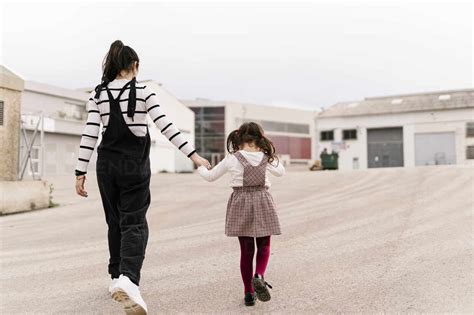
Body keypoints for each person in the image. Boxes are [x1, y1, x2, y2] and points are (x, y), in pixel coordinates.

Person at [74, 40, 209, 314]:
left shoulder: (97, 94)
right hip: (133, 167)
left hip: (106, 168)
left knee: (114, 222)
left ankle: (116, 277)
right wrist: (193, 155)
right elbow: (166, 127)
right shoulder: (144, 92)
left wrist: (80, 171)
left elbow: (89, 134)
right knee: (134, 222)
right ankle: (129, 280)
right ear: (134, 65)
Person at [197, 122, 285, 306]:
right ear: (260, 138)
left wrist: (201, 167)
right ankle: (259, 275)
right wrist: (269, 153)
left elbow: (210, 177)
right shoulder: (265, 157)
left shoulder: (232, 158)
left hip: (240, 202)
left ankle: (248, 293)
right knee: (264, 245)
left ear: (239, 138)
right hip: (262, 200)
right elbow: (281, 172)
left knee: (246, 251)